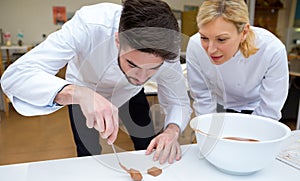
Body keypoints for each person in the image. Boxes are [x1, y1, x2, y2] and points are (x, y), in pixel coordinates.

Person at [0, 0, 192, 164]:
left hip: (130, 94)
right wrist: (79, 94)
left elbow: (179, 101)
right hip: (83, 89)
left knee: (148, 146)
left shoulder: (167, 51)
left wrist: (172, 131)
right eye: (132, 64)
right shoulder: (90, 24)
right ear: (118, 40)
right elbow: (15, 76)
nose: (142, 78)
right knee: (88, 154)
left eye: (153, 69)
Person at [186, 0, 289, 120]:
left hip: (256, 110)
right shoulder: (195, 46)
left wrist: (251, 136)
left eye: (221, 39)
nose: (211, 50)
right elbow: (202, 96)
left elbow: (269, 108)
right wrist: (209, 131)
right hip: (216, 109)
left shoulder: (272, 50)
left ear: (244, 32)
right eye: (204, 38)